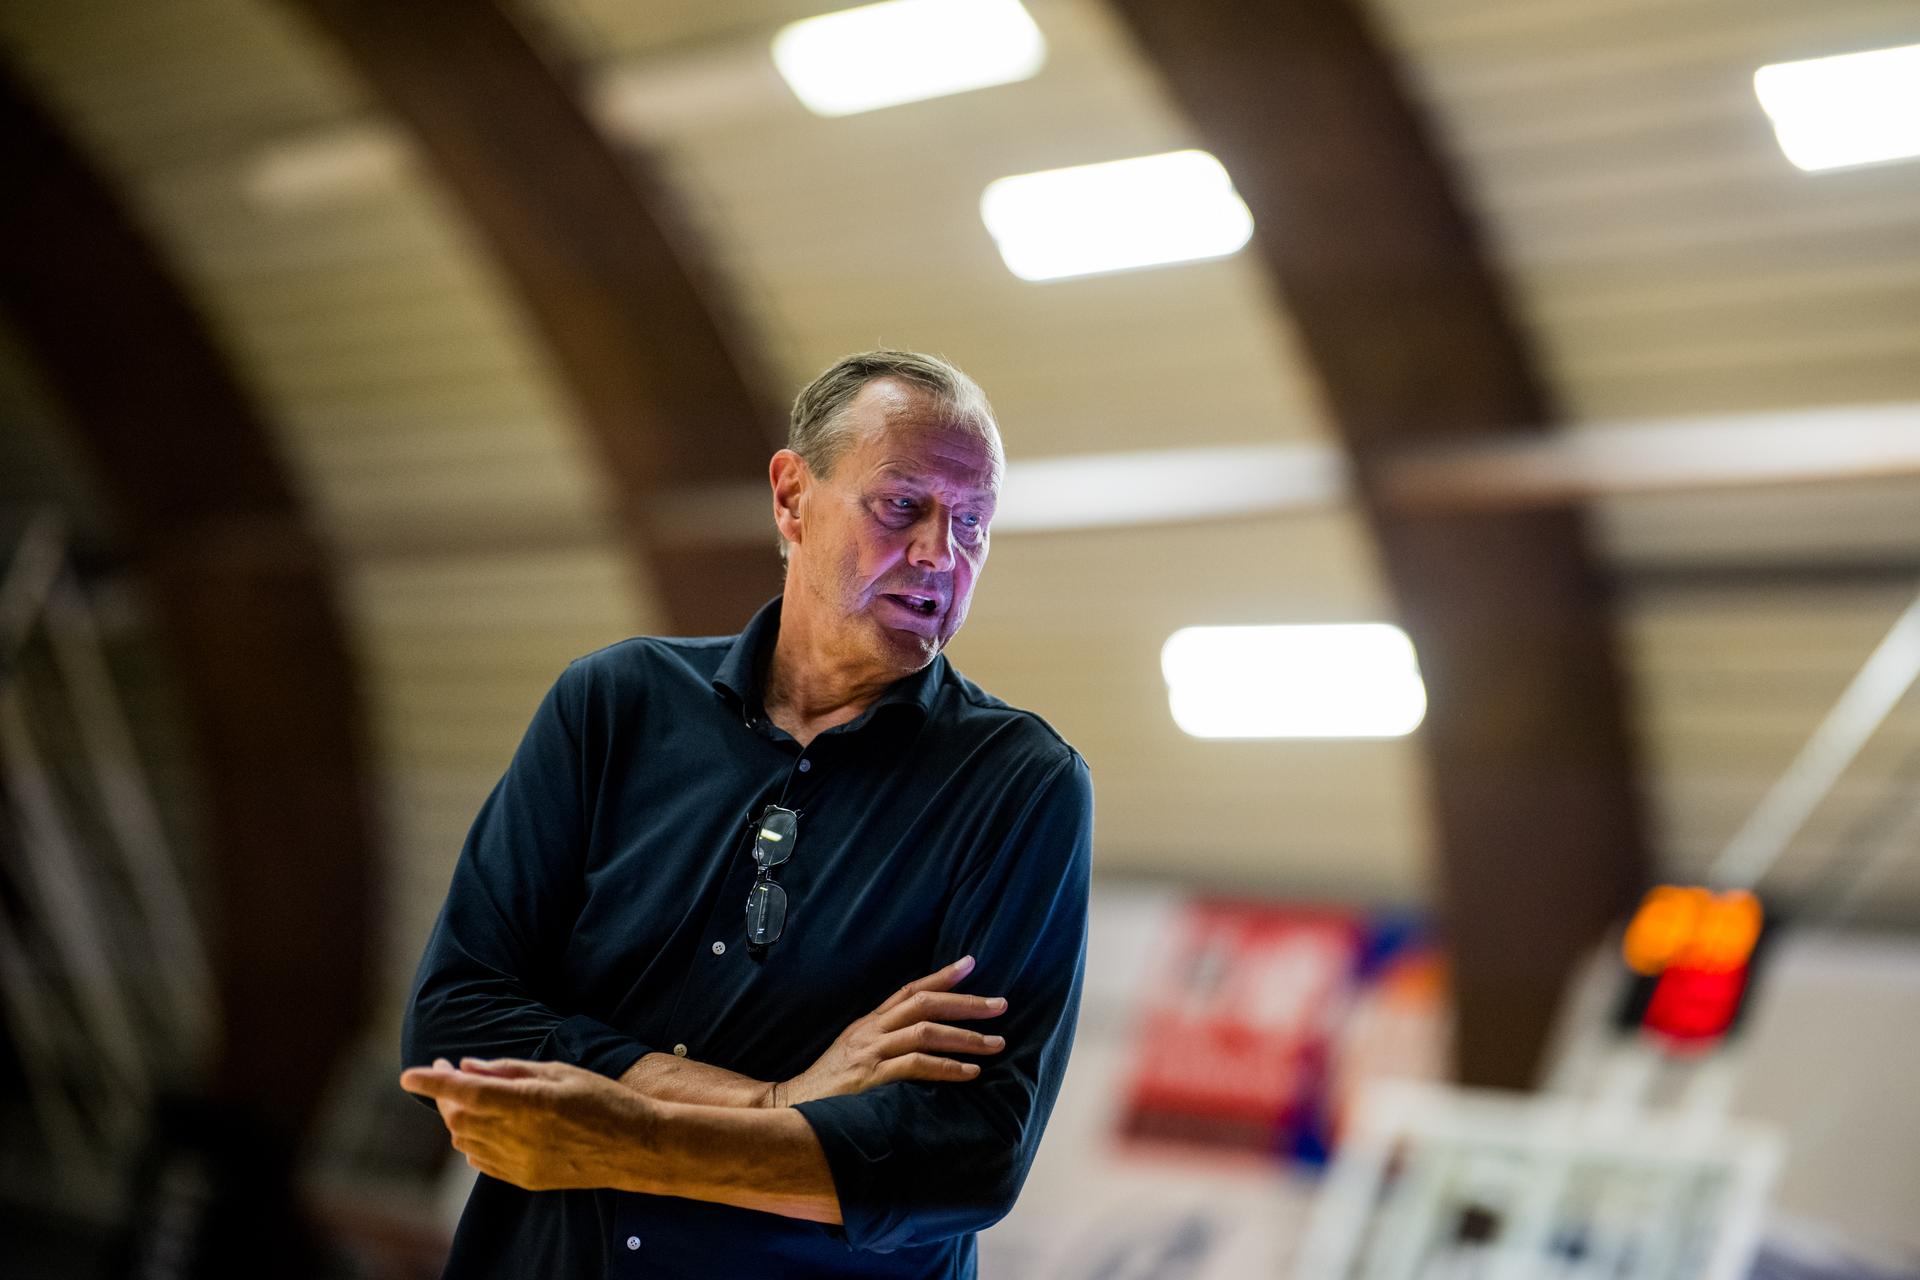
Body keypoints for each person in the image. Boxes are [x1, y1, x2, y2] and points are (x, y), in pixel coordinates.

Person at [399, 350, 1094, 1278]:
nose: (941, 553)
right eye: (902, 507)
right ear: (790, 494)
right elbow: (457, 1022)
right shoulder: (617, 702)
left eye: (973, 522)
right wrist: (775, 1105)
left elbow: (962, 1155)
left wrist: (626, 1136)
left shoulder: (1019, 785)